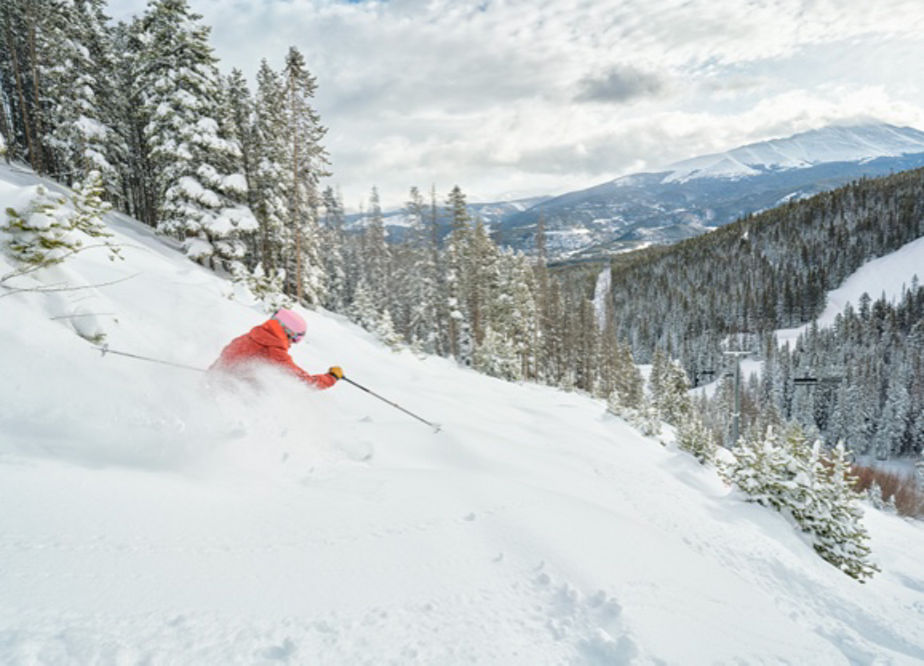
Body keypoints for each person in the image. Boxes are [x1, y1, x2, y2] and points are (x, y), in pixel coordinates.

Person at [211, 308, 343, 390]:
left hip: (217, 382)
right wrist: (331, 378)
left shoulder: (253, 336)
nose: (293, 343)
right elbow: (304, 381)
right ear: (287, 332)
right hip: (231, 392)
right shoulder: (273, 349)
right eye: (296, 338)